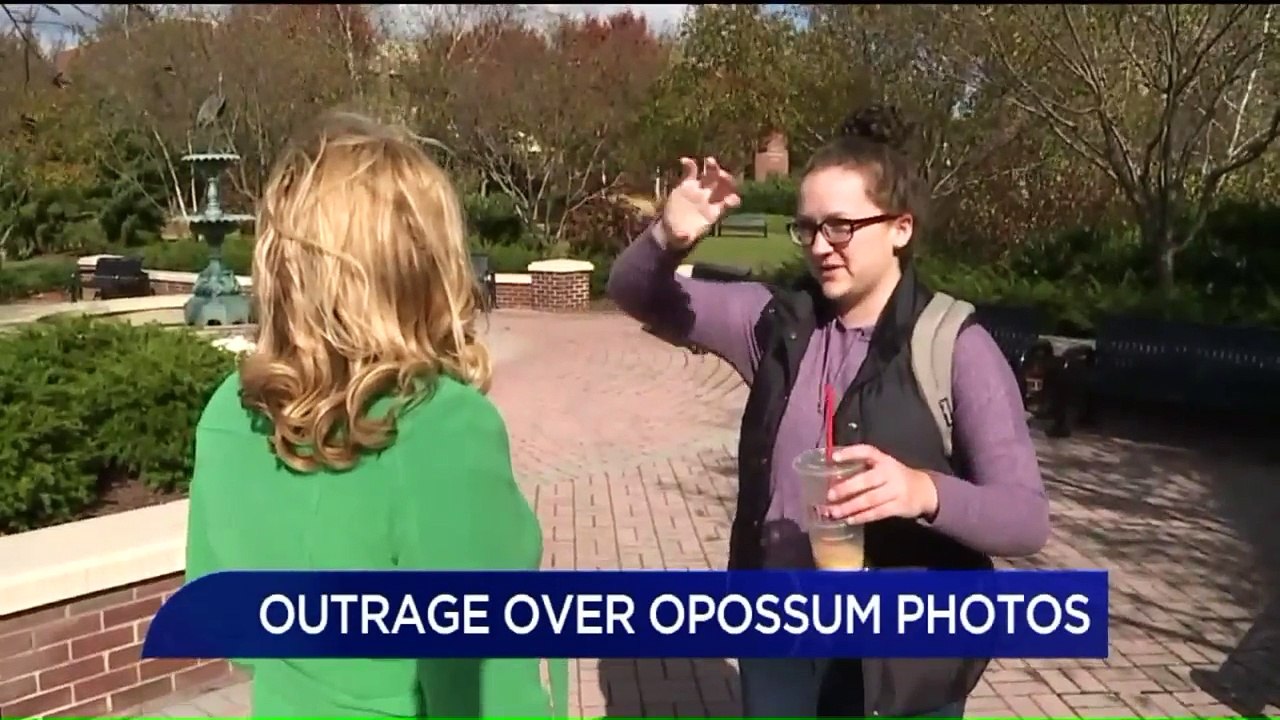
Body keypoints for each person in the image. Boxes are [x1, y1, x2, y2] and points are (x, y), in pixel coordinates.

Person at [608, 105, 1050, 717]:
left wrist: (921, 491)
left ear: (900, 227)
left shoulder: (954, 344)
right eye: (808, 228)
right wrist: (669, 235)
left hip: (903, 655)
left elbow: (1026, 520)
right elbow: (632, 292)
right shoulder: (774, 322)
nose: (820, 247)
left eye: (841, 227)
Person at [183, 111, 566, 718]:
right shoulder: (439, 426)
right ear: (422, 263)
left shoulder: (230, 410)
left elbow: (223, 620)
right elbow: (491, 692)